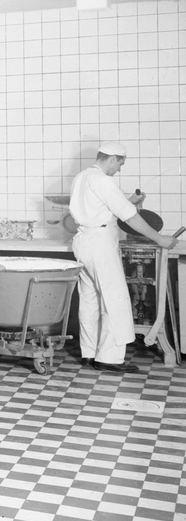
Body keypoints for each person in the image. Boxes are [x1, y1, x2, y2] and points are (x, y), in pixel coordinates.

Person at [68, 142, 177, 373]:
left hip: (83, 243)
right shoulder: (103, 180)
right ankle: (108, 358)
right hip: (100, 244)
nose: (119, 169)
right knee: (113, 300)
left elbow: (101, 208)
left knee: (89, 301)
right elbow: (130, 218)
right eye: (120, 164)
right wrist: (160, 239)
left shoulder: (82, 177)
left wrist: (129, 201)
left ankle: (89, 353)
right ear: (112, 159)